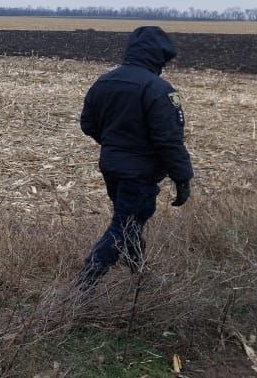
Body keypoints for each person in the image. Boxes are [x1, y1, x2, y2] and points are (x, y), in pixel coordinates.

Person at [77, 25, 193, 289]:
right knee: (124, 225)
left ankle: (139, 274)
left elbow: (88, 124)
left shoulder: (104, 82)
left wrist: (115, 145)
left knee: (129, 221)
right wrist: (183, 178)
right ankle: (84, 286)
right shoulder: (158, 89)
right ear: (158, 56)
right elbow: (169, 140)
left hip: (111, 167)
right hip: (139, 173)